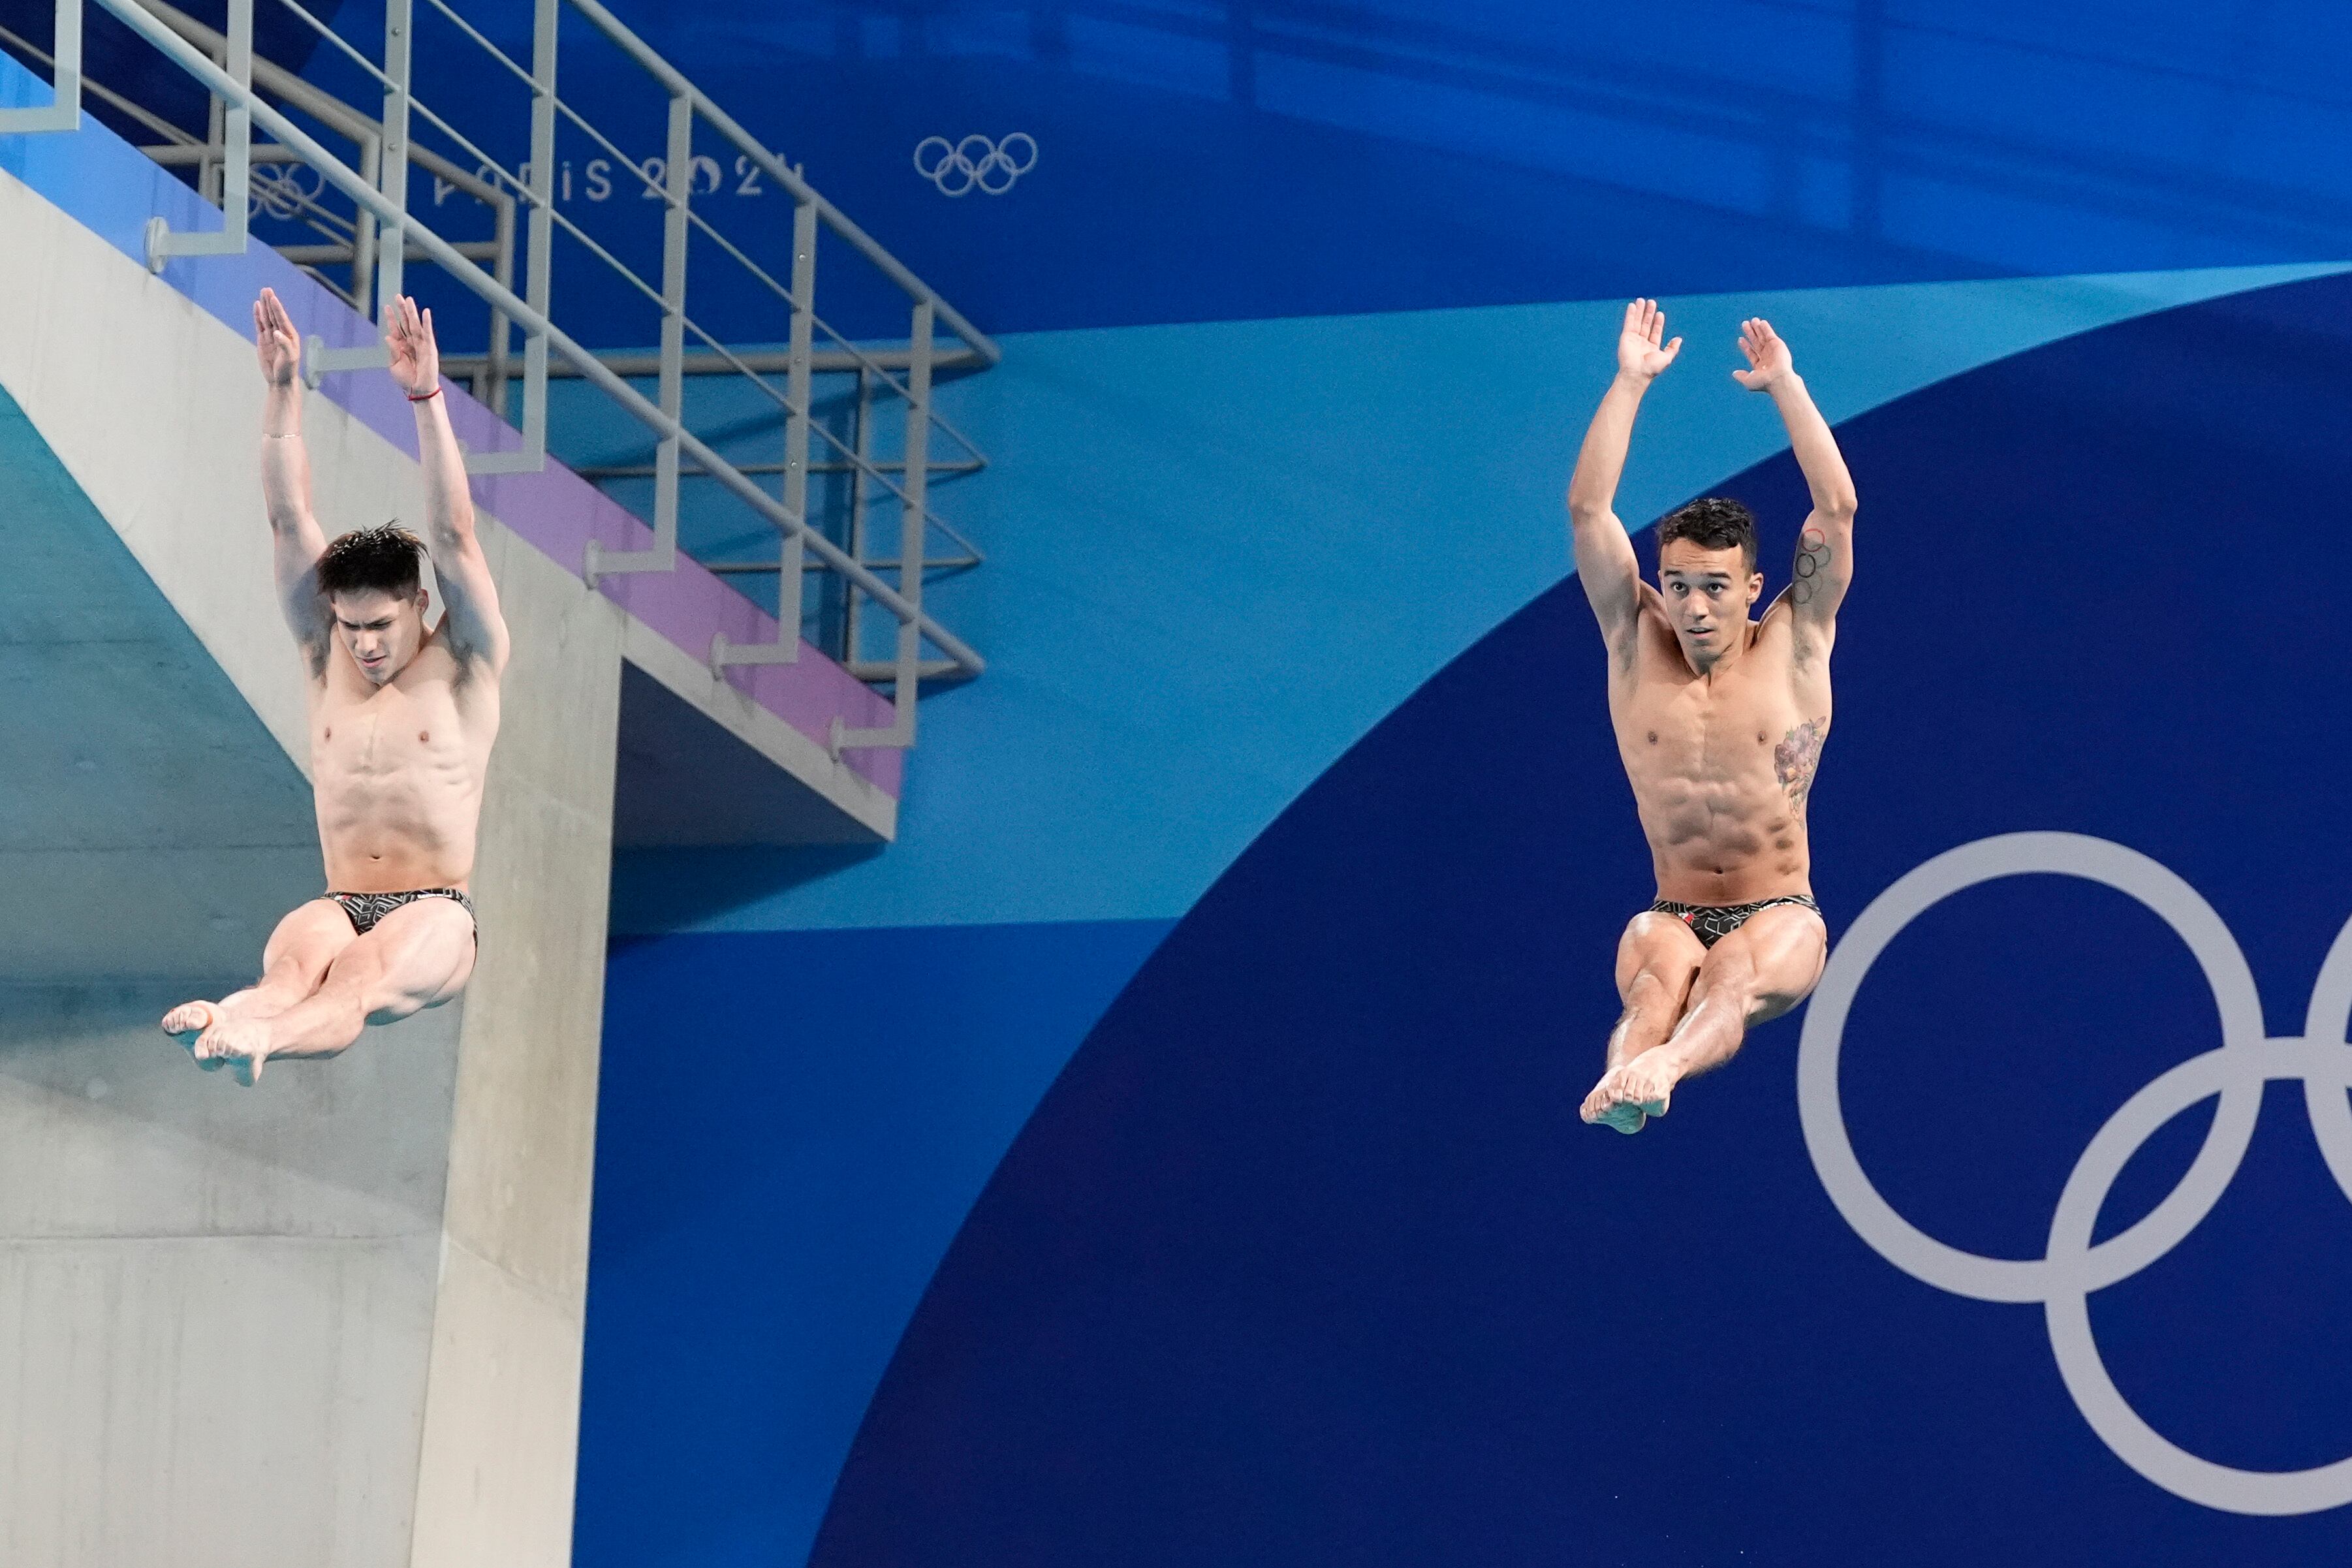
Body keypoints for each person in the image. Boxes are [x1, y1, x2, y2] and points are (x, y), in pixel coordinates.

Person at [162, 287, 509, 1085]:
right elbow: (288, 520)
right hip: (342, 897)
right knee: (292, 963)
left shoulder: (464, 659)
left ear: (419, 605)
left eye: (381, 626)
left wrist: (425, 398)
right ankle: (239, 1015)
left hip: (436, 912)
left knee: (354, 979)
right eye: (350, 628)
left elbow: (455, 533)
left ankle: (262, 1041)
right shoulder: (327, 655)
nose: (365, 645)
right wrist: (281, 393)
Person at [1567, 299, 1858, 1133]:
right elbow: (1590, 512)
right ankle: (1631, 1071)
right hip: (1673, 906)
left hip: (1781, 913)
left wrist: (1786, 388)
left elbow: (1834, 511)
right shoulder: (1634, 637)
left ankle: (1662, 1066)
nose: (1695, 608)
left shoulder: (1796, 644)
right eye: (1682, 585)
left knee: (1727, 975)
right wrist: (1628, 382)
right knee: (1658, 977)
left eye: (1717, 588)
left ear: (1753, 588)